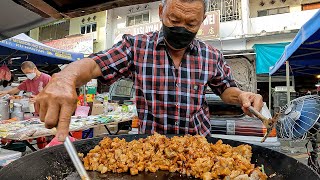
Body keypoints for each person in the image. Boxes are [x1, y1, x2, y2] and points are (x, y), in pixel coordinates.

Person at [36, 0, 263, 141]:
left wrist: (242, 96)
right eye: (174, 19)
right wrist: (65, 77)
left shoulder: (211, 55)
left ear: (202, 20)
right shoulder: (136, 47)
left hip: (198, 147)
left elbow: (226, 90)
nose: (181, 28)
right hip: (151, 148)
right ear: (161, 12)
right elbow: (96, 64)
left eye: (191, 23)